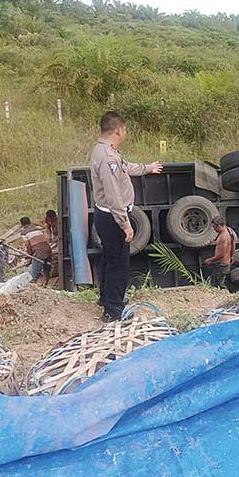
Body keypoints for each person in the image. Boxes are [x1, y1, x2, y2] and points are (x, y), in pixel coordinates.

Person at [90, 111, 162, 322]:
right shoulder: (108, 158)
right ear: (119, 130)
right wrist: (125, 224)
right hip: (113, 217)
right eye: (125, 129)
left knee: (109, 259)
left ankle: (106, 299)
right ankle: (114, 310)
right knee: (118, 263)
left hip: (106, 216)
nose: (126, 132)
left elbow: (125, 167)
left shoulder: (104, 150)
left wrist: (148, 168)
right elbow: (113, 195)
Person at [204, 216, 236, 289]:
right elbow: (233, 245)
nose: (214, 229)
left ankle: (226, 297)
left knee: (219, 285)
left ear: (219, 226)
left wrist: (210, 260)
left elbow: (222, 254)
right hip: (224, 263)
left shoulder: (224, 237)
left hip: (222, 265)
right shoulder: (229, 231)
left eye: (214, 227)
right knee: (220, 282)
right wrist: (231, 256)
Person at [20, 216, 53, 285]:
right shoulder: (37, 229)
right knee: (46, 270)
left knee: (34, 275)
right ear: (30, 222)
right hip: (48, 250)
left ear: (22, 225)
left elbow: (28, 245)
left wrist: (30, 255)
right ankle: (46, 284)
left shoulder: (24, 233)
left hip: (39, 252)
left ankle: (33, 286)